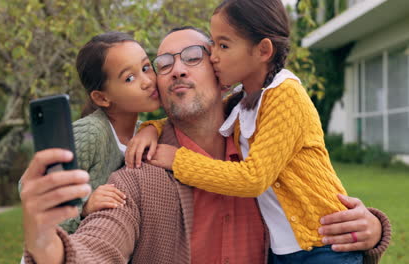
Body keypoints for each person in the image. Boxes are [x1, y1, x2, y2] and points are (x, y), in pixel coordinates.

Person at [20, 27, 390, 264]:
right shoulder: (135, 176)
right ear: (159, 89)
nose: (177, 69)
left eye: (194, 57)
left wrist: (370, 228)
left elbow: (317, 201)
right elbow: (100, 245)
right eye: (162, 64)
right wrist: (47, 245)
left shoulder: (264, 150)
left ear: (223, 76)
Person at [126, 1, 391, 263]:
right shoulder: (244, 103)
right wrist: (151, 128)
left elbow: (254, 178)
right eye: (163, 64)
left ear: (263, 50)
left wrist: (179, 160)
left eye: (221, 46)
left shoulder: (284, 95)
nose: (215, 55)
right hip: (284, 250)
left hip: (320, 243)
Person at [20, 32, 160, 234]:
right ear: (102, 98)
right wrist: (84, 205)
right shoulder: (92, 133)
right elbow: (28, 186)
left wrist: (153, 129)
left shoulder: (141, 130)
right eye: (129, 78)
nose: (147, 81)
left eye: (146, 67)